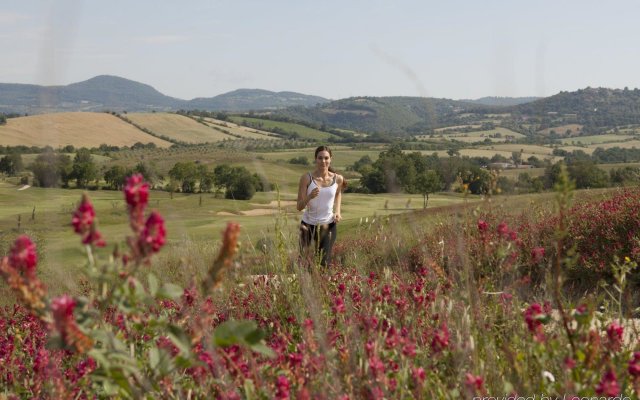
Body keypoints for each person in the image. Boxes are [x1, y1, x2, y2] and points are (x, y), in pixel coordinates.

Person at [296, 145, 345, 267]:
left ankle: (321, 285)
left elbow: (338, 194)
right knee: (303, 262)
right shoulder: (307, 178)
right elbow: (299, 206)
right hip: (307, 226)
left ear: (331, 159)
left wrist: (338, 211)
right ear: (315, 159)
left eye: (326, 158)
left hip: (328, 225)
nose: (323, 161)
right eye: (320, 158)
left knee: (324, 263)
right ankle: (306, 285)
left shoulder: (338, 179)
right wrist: (309, 197)